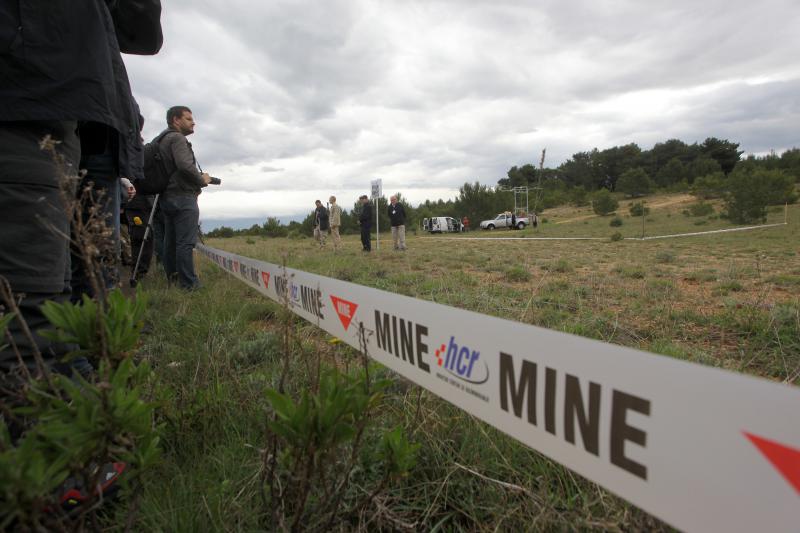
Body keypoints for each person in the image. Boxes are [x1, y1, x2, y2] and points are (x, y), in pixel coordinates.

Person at [0, 1, 163, 378]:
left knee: (80, 273)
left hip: (79, 121)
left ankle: (89, 368)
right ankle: (62, 415)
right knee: (29, 312)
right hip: (29, 99)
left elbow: (143, 31)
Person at [157, 106, 212, 290]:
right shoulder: (177, 138)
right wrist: (201, 179)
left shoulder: (162, 139)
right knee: (185, 243)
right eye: (188, 119)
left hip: (167, 196)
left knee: (170, 242)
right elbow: (185, 166)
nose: (193, 122)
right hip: (183, 196)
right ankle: (189, 284)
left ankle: (173, 280)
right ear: (176, 120)